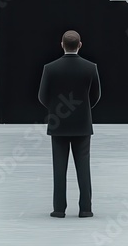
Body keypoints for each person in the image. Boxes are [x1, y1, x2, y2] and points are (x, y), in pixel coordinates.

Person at [37, 30, 101, 218]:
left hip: (58, 124)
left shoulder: (50, 68)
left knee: (59, 168)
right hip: (82, 124)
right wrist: (83, 110)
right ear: (80, 45)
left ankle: (59, 209)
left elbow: (42, 97)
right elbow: (95, 96)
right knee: (83, 168)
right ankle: (85, 209)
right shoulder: (91, 67)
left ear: (61, 44)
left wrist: (56, 109)